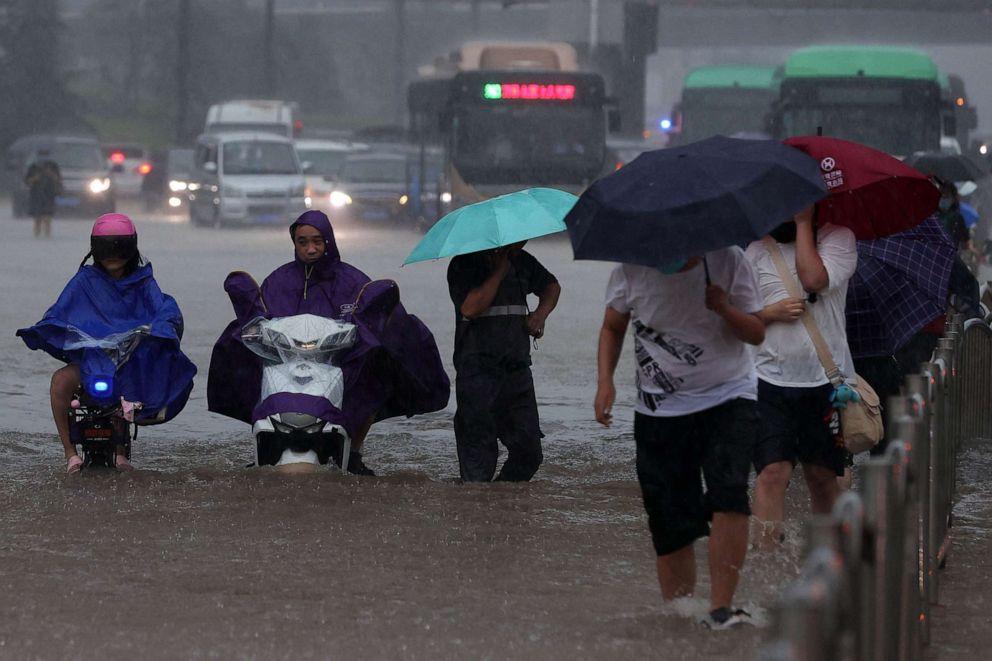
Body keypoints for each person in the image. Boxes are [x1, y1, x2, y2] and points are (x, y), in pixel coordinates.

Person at [594, 249, 765, 629]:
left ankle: (721, 610)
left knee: (729, 493)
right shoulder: (631, 266)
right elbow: (612, 326)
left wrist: (724, 307)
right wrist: (605, 382)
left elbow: (756, 332)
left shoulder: (729, 261)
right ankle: (682, 616)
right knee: (670, 520)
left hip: (729, 395)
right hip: (660, 410)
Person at [208, 210, 449, 475]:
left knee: (373, 376)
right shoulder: (278, 281)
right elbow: (259, 320)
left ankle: (354, 451)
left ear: (329, 241)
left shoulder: (353, 281)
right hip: (285, 362)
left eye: (317, 241)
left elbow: (374, 314)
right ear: (295, 243)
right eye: (303, 242)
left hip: (341, 364)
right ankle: (266, 444)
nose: (310, 249)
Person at [16, 213, 197, 473]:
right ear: (95, 249)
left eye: (119, 247)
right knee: (59, 383)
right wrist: (49, 326)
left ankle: (121, 451)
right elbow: (60, 309)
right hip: (90, 362)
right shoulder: (84, 281)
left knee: (130, 388)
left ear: (131, 248)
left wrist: (163, 326)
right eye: (106, 248)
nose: (113, 254)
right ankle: (70, 454)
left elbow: (164, 308)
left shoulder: (144, 282)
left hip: (128, 363)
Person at [744, 206, 857, 550]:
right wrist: (769, 313)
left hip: (826, 384)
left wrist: (804, 223)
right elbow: (738, 321)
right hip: (769, 382)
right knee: (771, 474)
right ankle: (767, 561)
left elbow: (814, 280)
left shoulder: (839, 239)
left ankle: (830, 561)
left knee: (823, 477)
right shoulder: (757, 250)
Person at [447, 241, 560, 482]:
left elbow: (551, 286)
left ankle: (504, 509)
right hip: (477, 373)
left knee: (529, 453)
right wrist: (499, 270)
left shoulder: (522, 260)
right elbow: (470, 308)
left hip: (517, 371)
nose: (523, 242)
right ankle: (477, 510)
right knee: (478, 462)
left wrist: (540, 315)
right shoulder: (463, 263)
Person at [24, 157, 62, 238]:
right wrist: (34, 178)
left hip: (49, 194)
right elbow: (26, 181)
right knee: (37, 217)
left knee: (48, 216)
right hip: (36, 194)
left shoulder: (53, 166)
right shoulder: (33, 167)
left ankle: (47, 235)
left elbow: (59, 180)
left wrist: (52, 175)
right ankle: (37, 235)